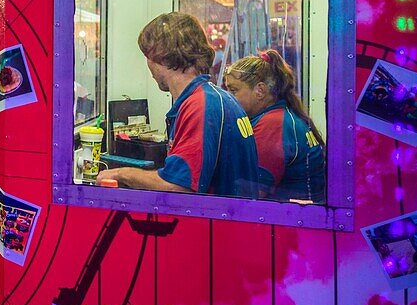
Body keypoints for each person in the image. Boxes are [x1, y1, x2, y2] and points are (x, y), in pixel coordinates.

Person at [98, 12, 259, 197]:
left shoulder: (201, 105)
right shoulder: (216, 98)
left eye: (148, 56)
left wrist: (122, 174)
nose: (148, 65)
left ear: (162, 57)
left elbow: (179, 186)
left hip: (220, 223)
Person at [224, 50, 326, 203]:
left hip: (292, 221)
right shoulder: (281, 117)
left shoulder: (273, 124)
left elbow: (250, 193)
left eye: (233, 90)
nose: (227, 97)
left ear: (260, 91)